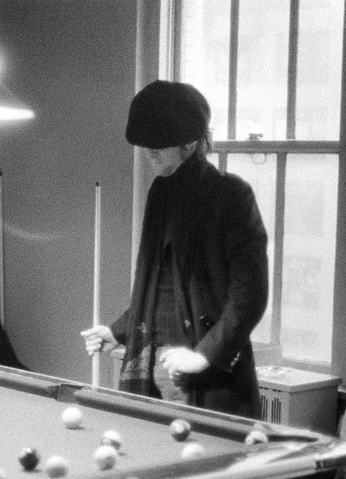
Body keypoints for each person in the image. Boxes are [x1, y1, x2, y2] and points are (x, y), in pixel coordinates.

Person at [81, 80, 268, 418]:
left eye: (160, 144)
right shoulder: (161, 192)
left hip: (203, 378)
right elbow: (156, 281)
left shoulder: (231, 196)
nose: (149, 152)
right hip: (149, 364)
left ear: (190, 143)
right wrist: (117, 331)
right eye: (146, 144)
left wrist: (204, 355)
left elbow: (250, 293)